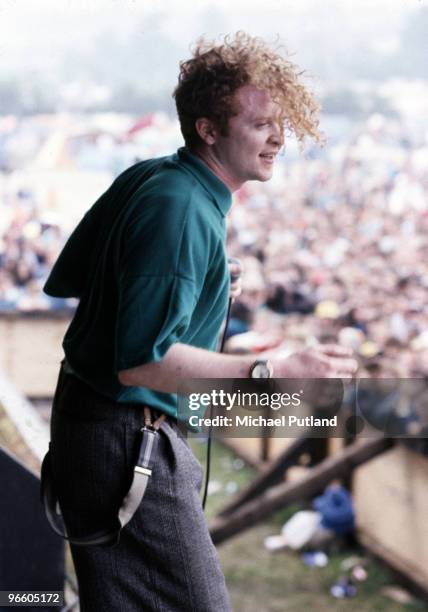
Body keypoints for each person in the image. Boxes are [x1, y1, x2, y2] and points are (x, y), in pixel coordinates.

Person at [42, 32, 357, 612]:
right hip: (125, 435)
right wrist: (269, 370)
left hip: (97, 427)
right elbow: (142, 359)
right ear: (209, 128)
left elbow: (82, 278)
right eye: (261, 123)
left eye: (280, 123)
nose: (278, 137)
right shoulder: (182, 209)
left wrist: (195, 281)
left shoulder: (158, 178)